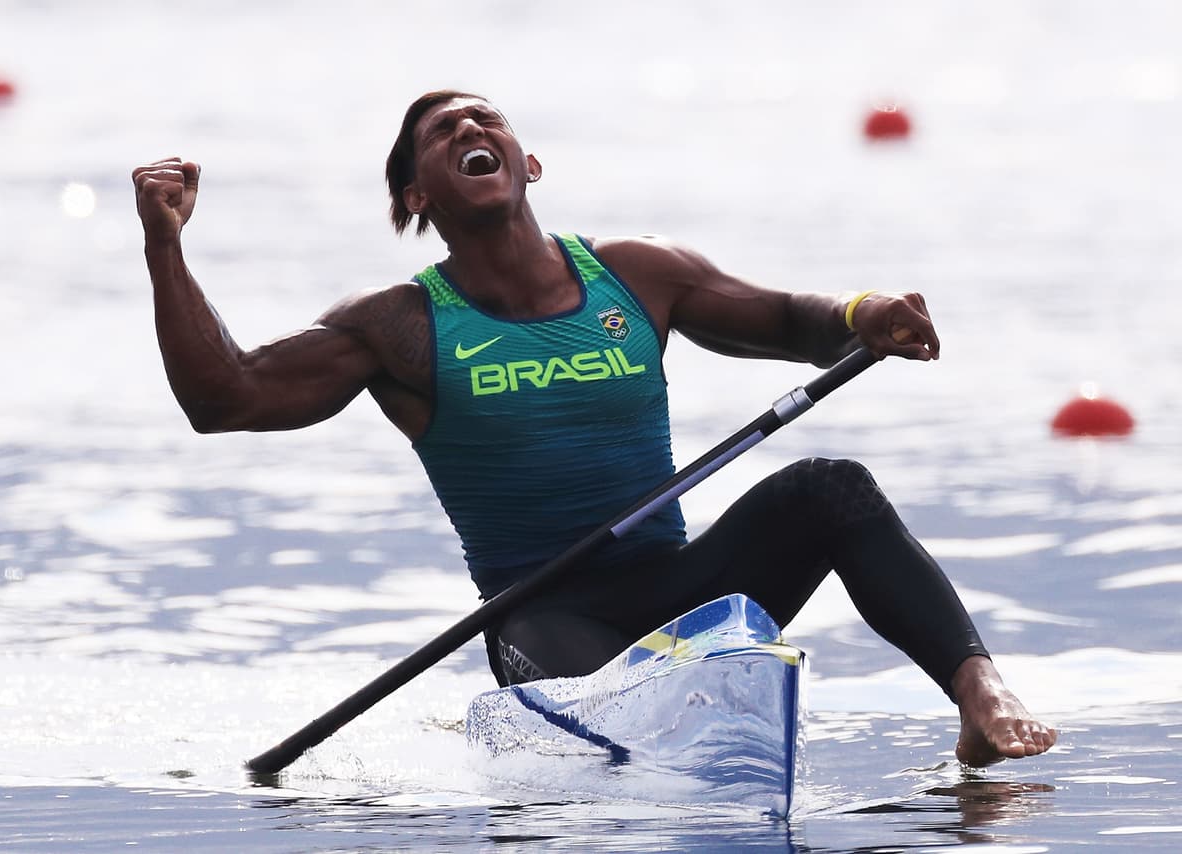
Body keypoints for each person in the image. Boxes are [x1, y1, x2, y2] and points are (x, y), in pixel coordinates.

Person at [132, 89, 1057, 767]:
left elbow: (786, 320)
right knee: (623, 741)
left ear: (528, 164)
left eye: (483, 118)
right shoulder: (399, 325)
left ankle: (976, 693)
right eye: (439, 133)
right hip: (542, 614)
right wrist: (166, 247)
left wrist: (862, 311)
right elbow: (227, 398)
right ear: (416, 197)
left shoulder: (638, 275)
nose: (468, 129)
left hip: (684, 588)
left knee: (831, 486)